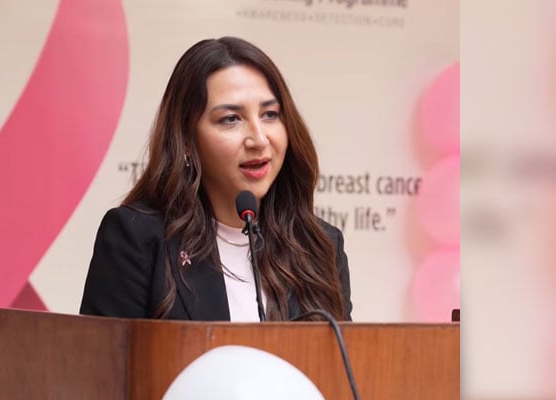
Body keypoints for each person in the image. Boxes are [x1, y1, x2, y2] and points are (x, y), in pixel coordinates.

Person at [80, 36, 352, 322]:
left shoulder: (320, 245)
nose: (259, 139)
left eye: (270, 114)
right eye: (231, 119)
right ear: (186, 139)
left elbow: (339, 363)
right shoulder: (138, 238)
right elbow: (103, 363)